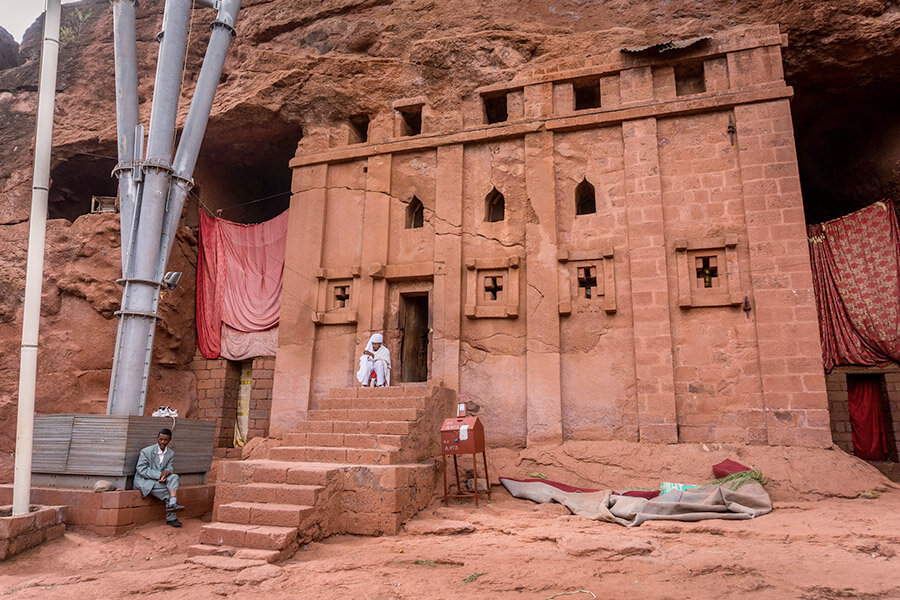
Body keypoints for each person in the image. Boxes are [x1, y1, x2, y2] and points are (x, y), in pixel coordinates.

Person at [134, 428, 185, 527]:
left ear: (169, 440)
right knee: (169, 491)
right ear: (157, 438)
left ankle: (173, 503)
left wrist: (166, 473)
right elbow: (141, 469)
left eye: (166, 440)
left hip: (161, 480)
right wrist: (159, 475)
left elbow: (169, 467)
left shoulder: (170, 453)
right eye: (161, 439)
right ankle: (172, 517)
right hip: (145, 481)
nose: (163, 442)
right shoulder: (146, 451)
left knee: (174, 477)